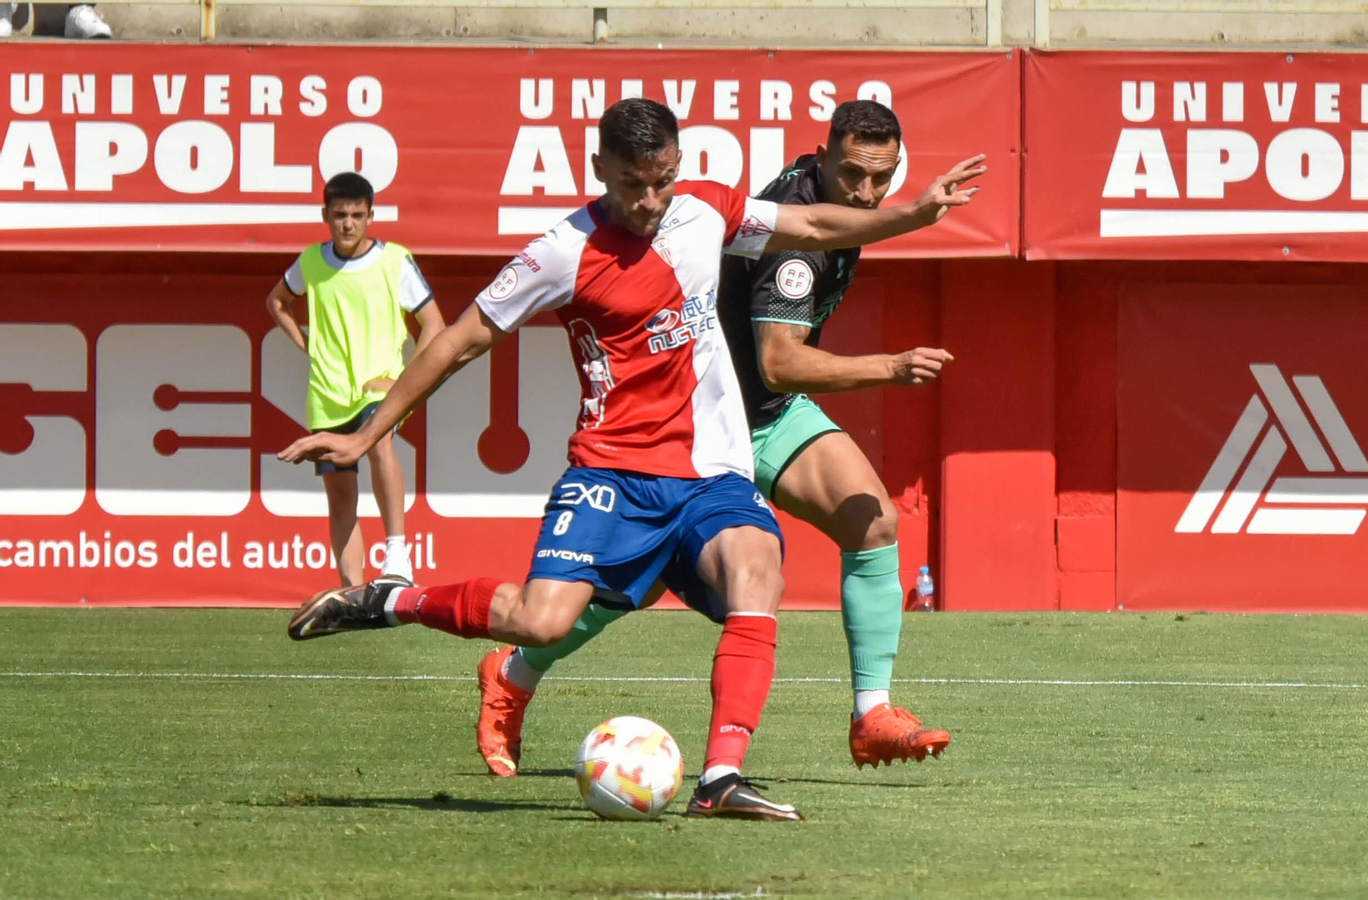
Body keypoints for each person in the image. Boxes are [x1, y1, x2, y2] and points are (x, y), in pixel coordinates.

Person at [278, 98, 983, 821]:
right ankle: (390, 600)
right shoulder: (561, 250)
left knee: (758, 570)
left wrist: (916, 216)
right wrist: (367, 436)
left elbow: (812, 224)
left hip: (711, 470)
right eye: (630, 186)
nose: (648, 202)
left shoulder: (706, 210)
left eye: (662, 181)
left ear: (678, 166)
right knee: (541, 621)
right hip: (613, 471)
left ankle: (720, 779)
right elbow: (460, 340)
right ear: (598, 171)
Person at [471, 100, 953, 778]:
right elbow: (779, 360)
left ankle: (870, 714)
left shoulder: (827, 200)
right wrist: (890, 367)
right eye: (854, 175)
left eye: (884, 177)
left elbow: (776, 378)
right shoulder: (796, 254)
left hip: (769, 415)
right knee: (615, 593)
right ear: (823, 156)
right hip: (696, 429)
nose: (868, 192)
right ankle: (513, 672)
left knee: (873, 521)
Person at [265, 172, 444, 588]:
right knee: (341, 498)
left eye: (357, 215)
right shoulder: (311, 261)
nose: (348, 223)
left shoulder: (393, 260)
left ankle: (397, 557)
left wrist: (403, 382)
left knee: (379, 443)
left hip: (378, 387)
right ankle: (352, 593)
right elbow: (277, 300)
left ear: (370, 216)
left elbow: (433, 323)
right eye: (340, 214)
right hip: (327, 396)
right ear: (325, 214)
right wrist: (306, 345)